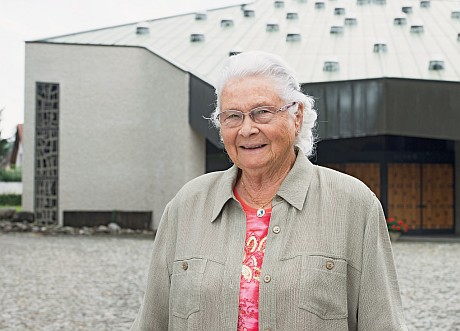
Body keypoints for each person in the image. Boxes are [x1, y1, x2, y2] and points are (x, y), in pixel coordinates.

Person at [131, 51, 407, 330]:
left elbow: (383, 322)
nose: (247, 129)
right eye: (233, 116)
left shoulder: (353, 204)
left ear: (296, 116)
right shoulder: (187, 205)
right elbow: (152, 321)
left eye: (261, 112)